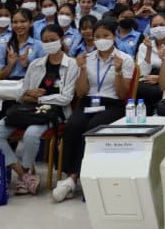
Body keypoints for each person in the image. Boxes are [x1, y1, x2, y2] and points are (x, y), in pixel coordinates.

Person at [0, 24, 79, 196]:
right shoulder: (36, 64)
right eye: (45, 41)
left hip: (54, 111)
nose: (49, 43)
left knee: (31, 134)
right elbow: (21, 94)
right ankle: (24, 175)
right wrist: (29, 93)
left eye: (53, 40)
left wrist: (39, 98)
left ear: (61, 39)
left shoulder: (71, 64)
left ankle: (25, 173)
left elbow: (66, 98)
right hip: (27, 109)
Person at [52, 22, 136, 203]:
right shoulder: (86, 58)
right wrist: (82, 69)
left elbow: (122, 94)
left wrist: (118, 71)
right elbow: (81, 92)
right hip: (89, 102)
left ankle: (75, 177)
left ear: (114, 37)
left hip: (113, 104)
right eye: (97, 36)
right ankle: (69, 175)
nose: (101, 40)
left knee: (93, 127)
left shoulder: (125, 59)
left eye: (106, 36)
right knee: (73, 125)